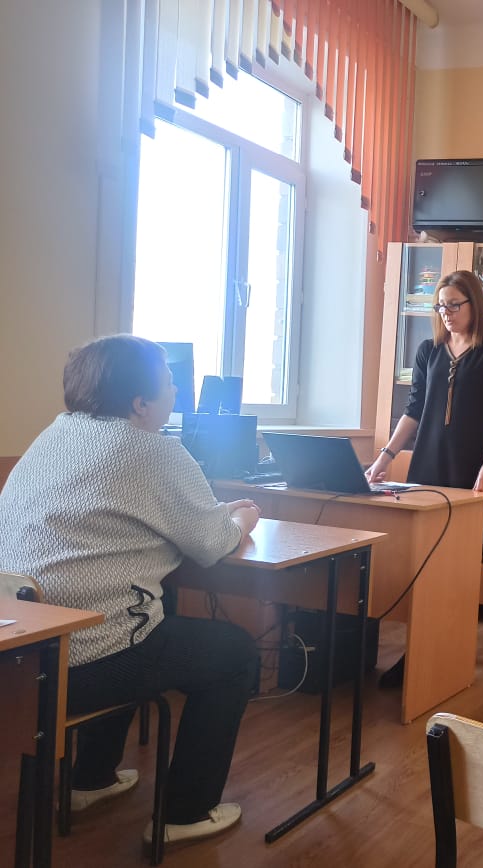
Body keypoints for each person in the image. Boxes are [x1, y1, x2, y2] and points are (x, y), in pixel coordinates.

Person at [0, 335, 261, 845]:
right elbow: (212, 544)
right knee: (232, 653)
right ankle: (185, 814)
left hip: (20, 654)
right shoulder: (152, 449)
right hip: (78, 665)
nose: (175, 392)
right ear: (141, 403)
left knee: (133, 616)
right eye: (169, 383)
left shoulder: (55, 434)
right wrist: (242, 518)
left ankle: (90, 779)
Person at [365, 269, 483, 685]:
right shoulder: (428, 351)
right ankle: (417, 654)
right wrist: (385, 456)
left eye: (453, 305)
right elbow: (413, 410)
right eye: (440, 306)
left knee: (454, 568)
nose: (446, 313)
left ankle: (445, 654)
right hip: (427, 468)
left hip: (469, 473)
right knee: (422, 563)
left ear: (473, 305)